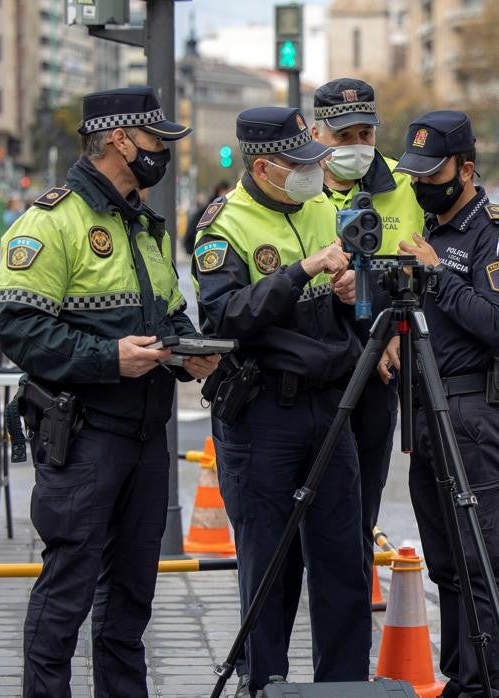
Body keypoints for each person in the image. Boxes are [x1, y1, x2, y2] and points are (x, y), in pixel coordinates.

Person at [0, 86, 220, 697]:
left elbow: (169, 313)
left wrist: (188, 353)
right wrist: (109, 359)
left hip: (145, 437)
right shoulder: (51, 221)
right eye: (155, 141)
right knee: (67, 593)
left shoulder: (142, 223)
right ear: (121, 140)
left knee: (130, 602)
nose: (161, 154)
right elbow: (17, 327)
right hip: (85, 434)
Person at [192, 106, 371, 693]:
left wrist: (350, 289)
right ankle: (263, 682)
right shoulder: (224, 224)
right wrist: (299, 271)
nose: (312, 174)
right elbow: (222, 316)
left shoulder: (325, 208)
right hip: (264, 412)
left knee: (344, 560)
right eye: (299, 164)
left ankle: (342, 685)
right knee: (269, 565)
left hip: (330, 407)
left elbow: (356, 294)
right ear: (266, 167)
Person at [391, 110, 499, 698]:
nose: (422, 183)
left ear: (466, 168)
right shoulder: (426, 228)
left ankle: (491, 685)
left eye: (433, 171)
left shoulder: (493, 232)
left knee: (478, 560)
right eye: (415, 172)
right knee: (445, 563)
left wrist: (434, 275)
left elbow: (496, 325)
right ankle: (462, 680)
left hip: (471, 412)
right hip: (425, 408)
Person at [311, 77, 425, 580]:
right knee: (314, 490)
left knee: (365, 487)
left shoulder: (406, 186)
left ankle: (353, 582)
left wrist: (391, 323)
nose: (356, 147)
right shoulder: (300, 186)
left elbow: (427, 269)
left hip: (383, 360)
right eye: (343, 136)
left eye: (365, 134)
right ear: (317, 132)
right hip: (316, 363)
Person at [182, 180, 231, 255]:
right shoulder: (215, 209)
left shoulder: (209, 207)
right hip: (203, 247)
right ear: (221, 191)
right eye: (228, 191)